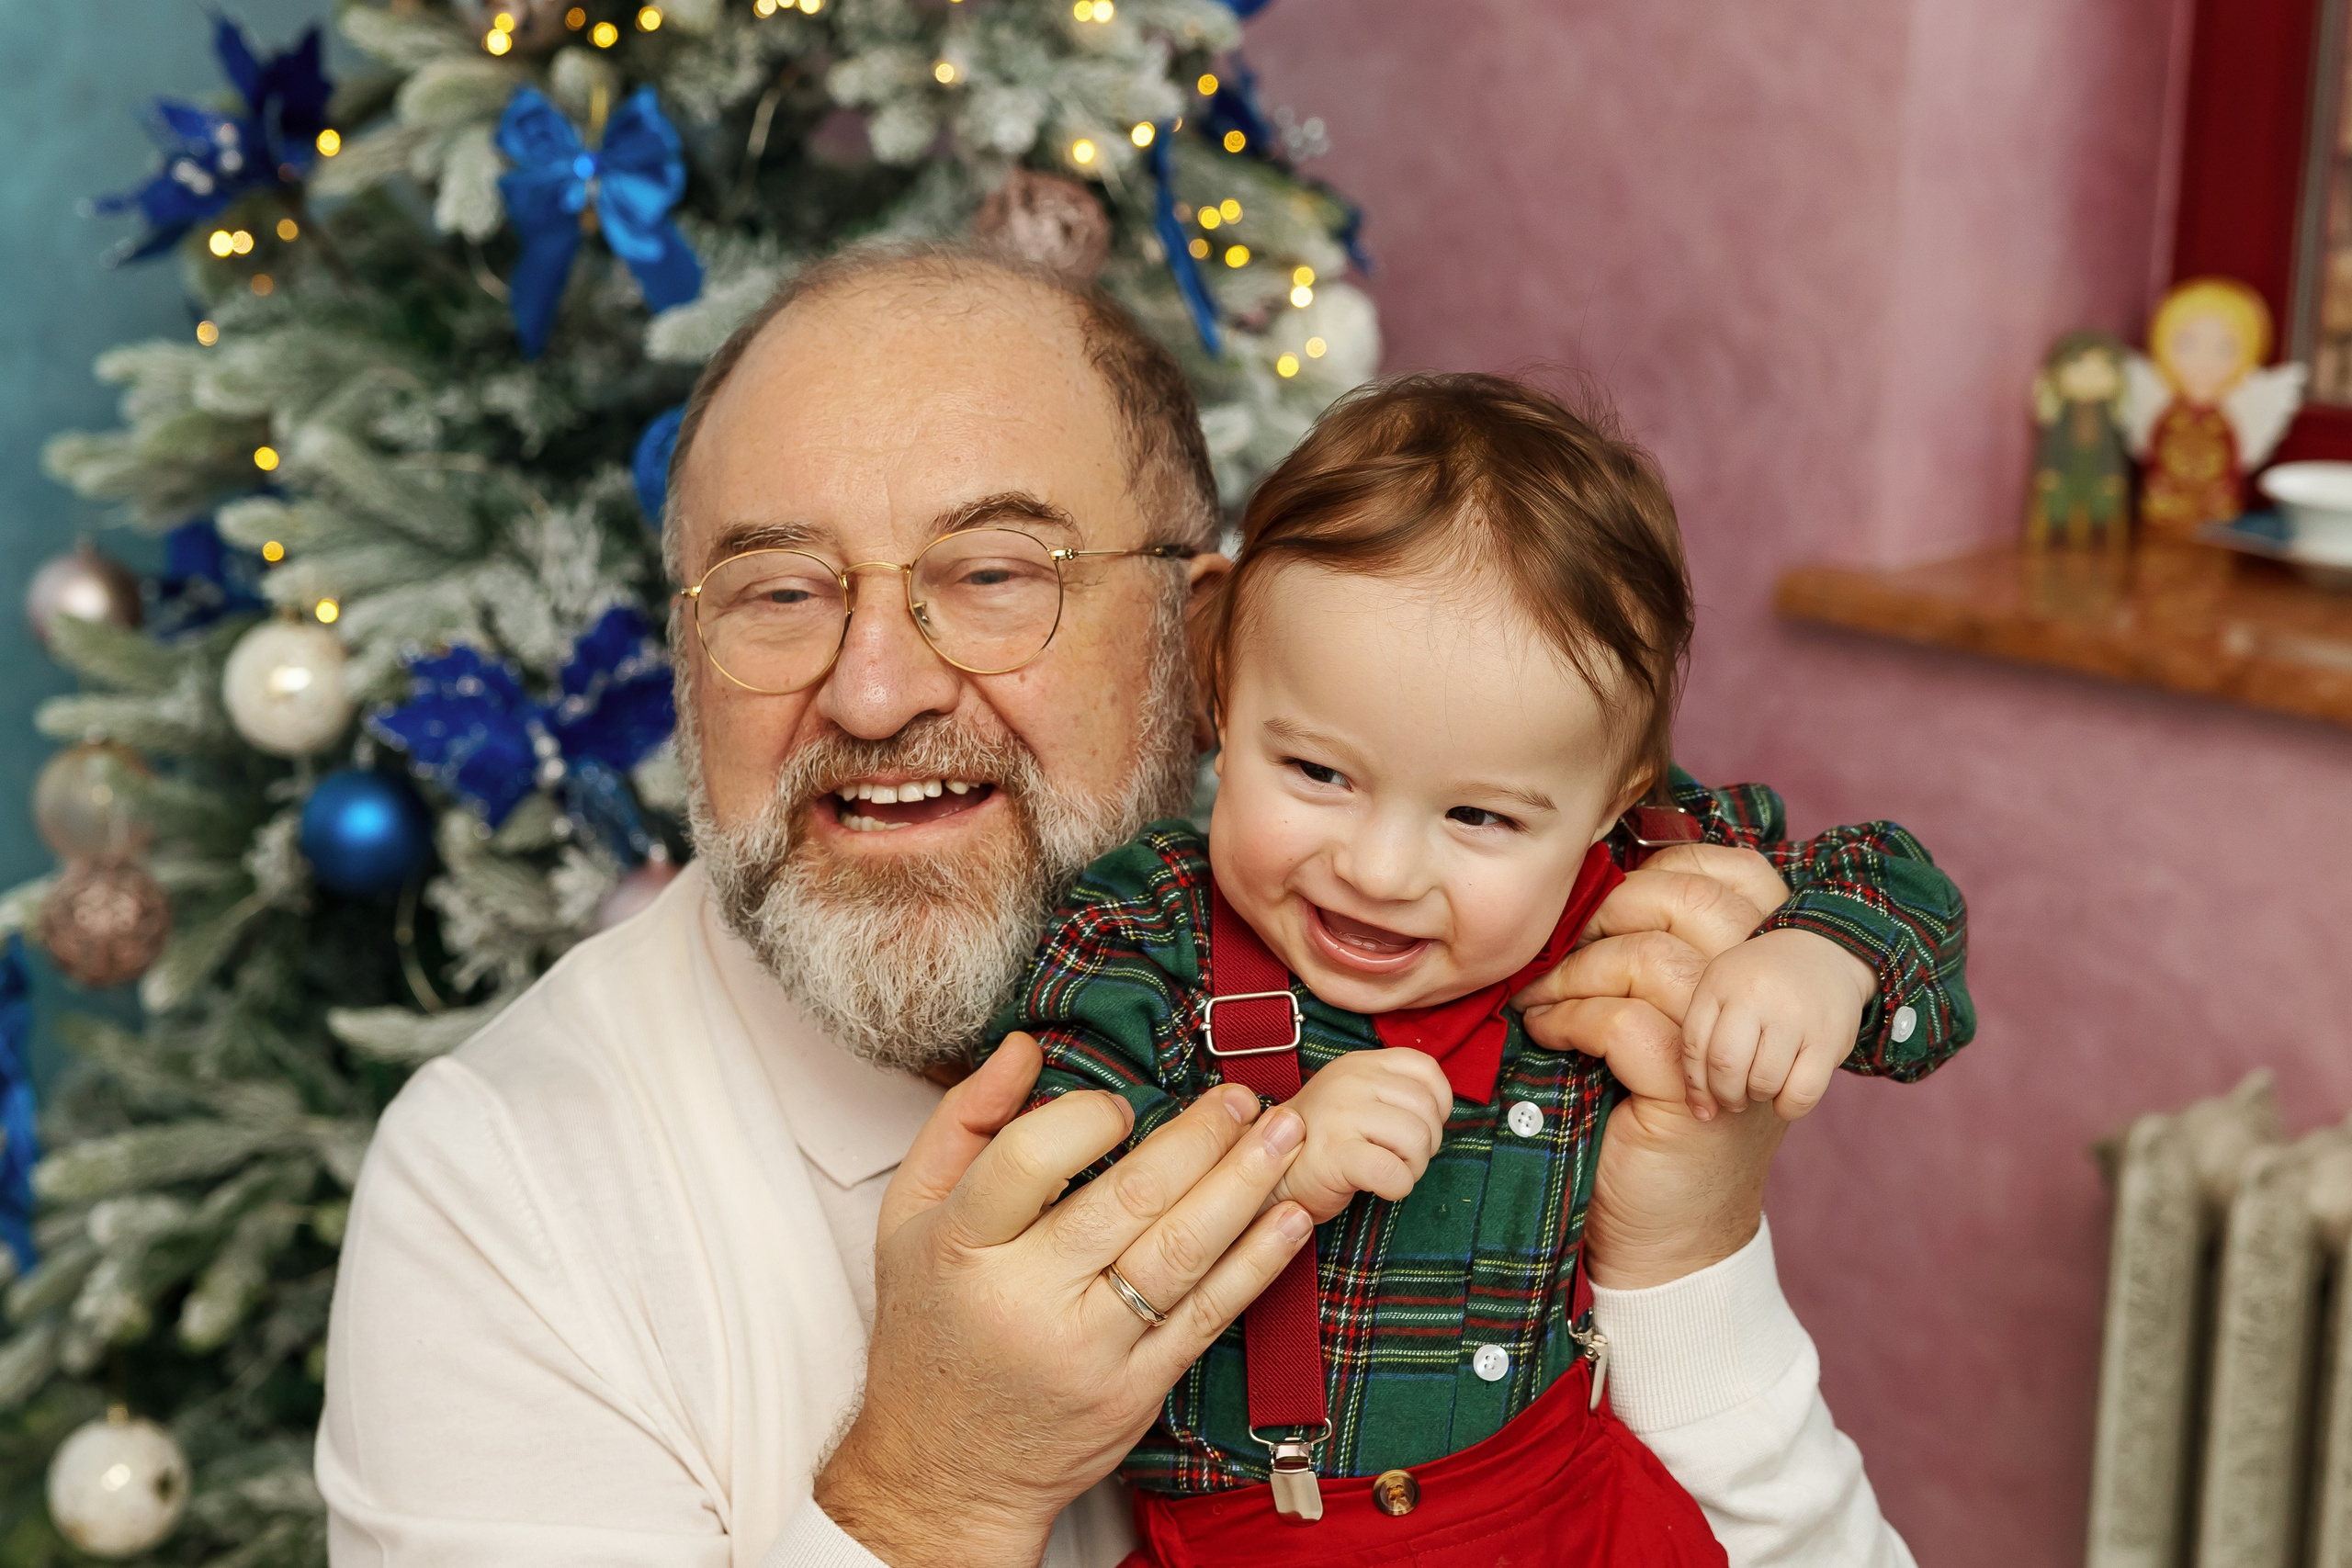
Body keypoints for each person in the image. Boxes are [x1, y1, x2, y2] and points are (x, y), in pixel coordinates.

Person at [316, 247, 1947, 1568]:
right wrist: (937, 1498)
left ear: (1202, 640)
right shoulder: (508, 1186)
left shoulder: (1507, 960)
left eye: (995, 574)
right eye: (780, 594)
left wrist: (1684, 1253)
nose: (875, 689)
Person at [990, 374, 1969, 1563]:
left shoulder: (1642, 875)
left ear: (1607, 806)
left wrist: (1825, 960)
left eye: (1481, 819)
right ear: (1225, 696)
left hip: (1569, 1510)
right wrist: (1277, 1158)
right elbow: (1047, 1203)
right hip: (1269, 1535)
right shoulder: (1143, 935)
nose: (1383, 867)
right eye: (1317, 775)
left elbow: (1899, 885)